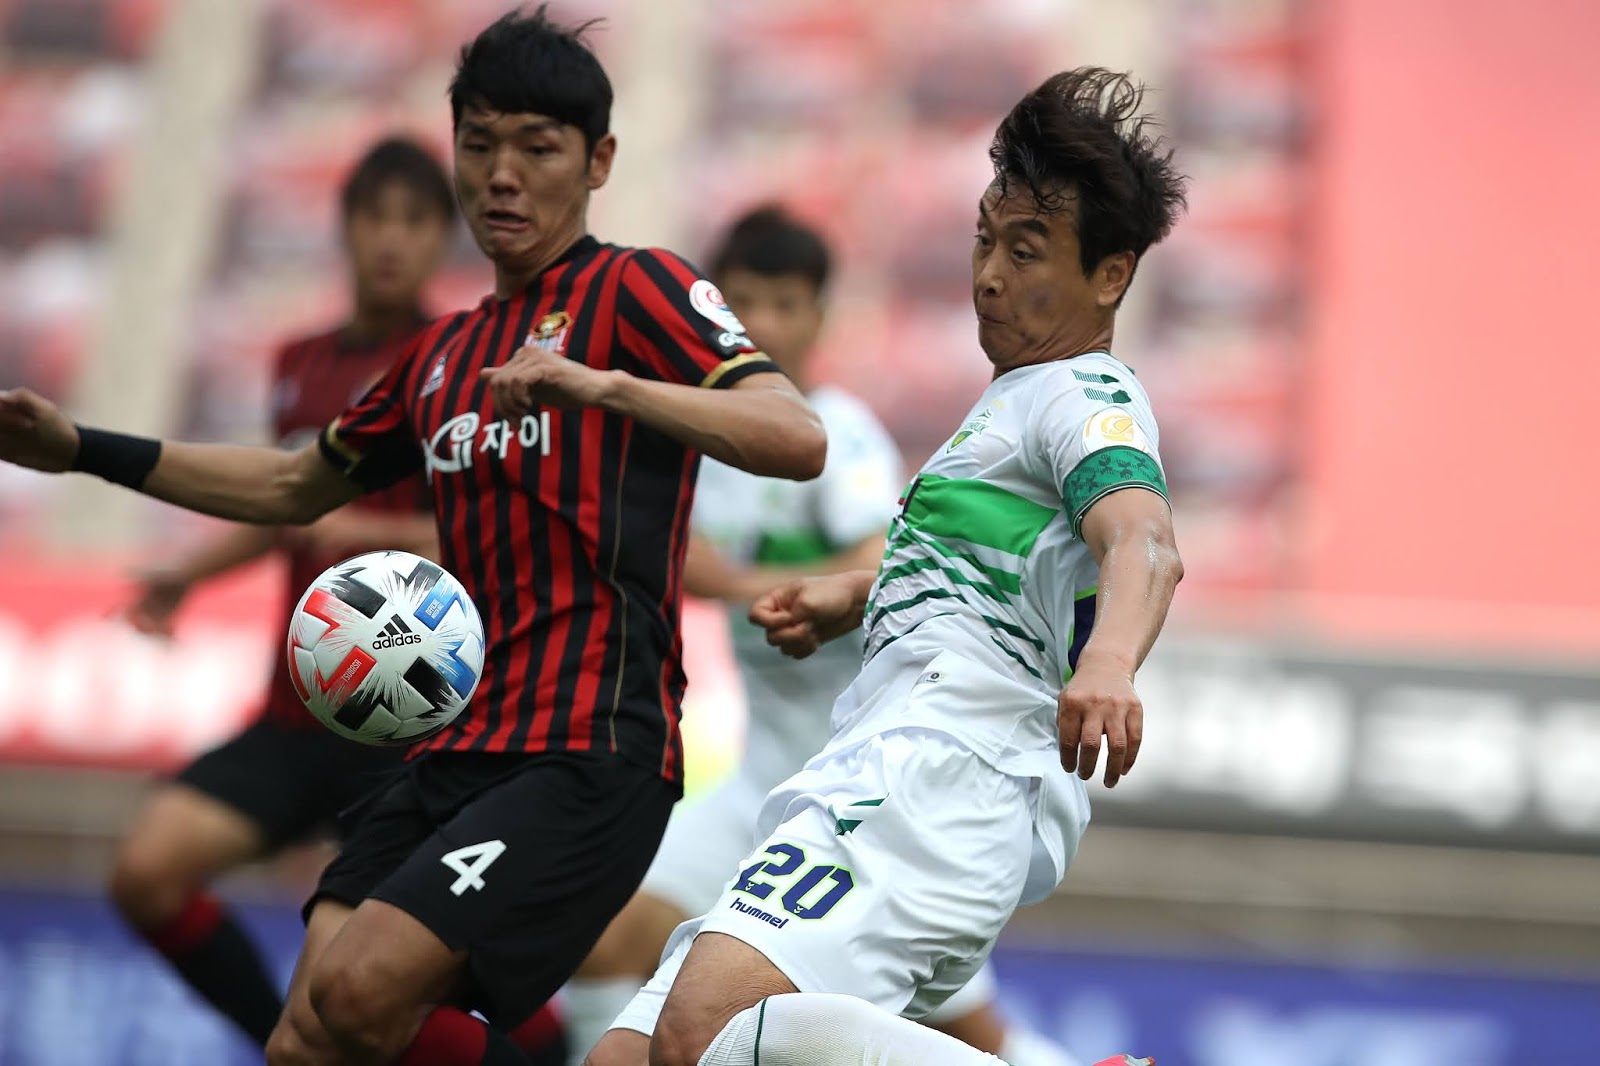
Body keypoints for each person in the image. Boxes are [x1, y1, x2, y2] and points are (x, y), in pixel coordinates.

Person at [0, 8, 826, 1066]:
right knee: (308, 1036)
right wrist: (82, 447)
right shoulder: (442, 356)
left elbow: (791, 433)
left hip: (591, 749)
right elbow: (296, 483)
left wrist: (606, 384)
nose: (502, 175)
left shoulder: (637, 291)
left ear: (598, 160)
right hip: (459, 746)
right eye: (479, 144)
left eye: (537, 147)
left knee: (358, 989)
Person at [582, 67, 1187, 1066]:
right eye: (985, 241)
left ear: (1110, 276)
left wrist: (1112, 662)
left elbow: (1145, 541)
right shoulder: (1007, 408)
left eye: (1025, 250)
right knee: (625, 1059)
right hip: (880, 757)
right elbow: (995, 581)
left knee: (707, 1036)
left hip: (943, 769)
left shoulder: (1084, 395)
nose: (989, 274)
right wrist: (851, 594)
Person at [561, 207, 1077, 1066]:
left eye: (787, 304)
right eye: (746, 302)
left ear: (819, 318)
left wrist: (752, 579)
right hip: (761, 780)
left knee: (964, 1036)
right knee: (611, 943)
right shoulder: (705, 450)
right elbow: (668, 560)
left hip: (874, 791)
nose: (762, 325)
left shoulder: (838, 437)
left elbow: (888, 557)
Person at [107, 135, 451, 1049]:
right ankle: (275, 1040)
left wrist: (370, 534)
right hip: (296, 715)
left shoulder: (455, 362)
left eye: (414, 222)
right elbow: (282, 508)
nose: (390, 240)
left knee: (422, 969)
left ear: (439, 241)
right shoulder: (298, 360)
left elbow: (490, 532)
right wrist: (187, 573)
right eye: (374, 217)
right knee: (148, 871)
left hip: (405, 727)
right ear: (344, 230)